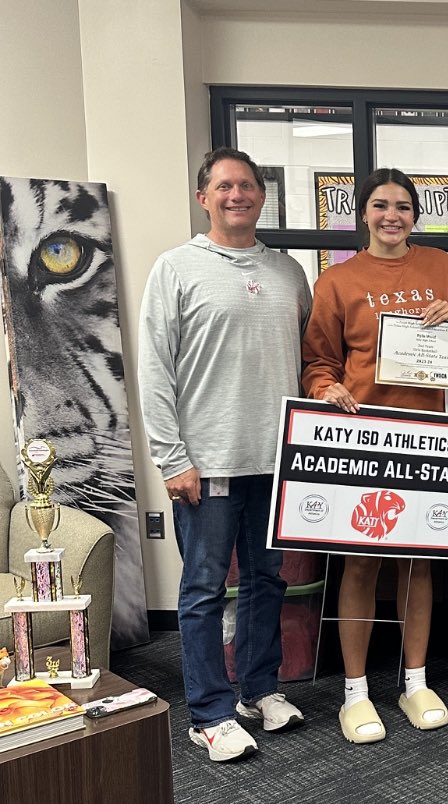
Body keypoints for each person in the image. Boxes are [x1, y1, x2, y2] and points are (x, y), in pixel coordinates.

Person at [139, 147, 310, 762]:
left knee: (267, 579)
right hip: (206, 462)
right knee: (205, 586)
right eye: (225, 186)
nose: (238, 195)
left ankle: (258, 690)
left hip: (276, 460)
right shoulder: (176, 268)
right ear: (203, 197)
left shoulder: (290, 273)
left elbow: (310, 359)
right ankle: (209, 710)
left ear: (262, 196)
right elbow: (155, 370)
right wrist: (170, 457)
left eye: (248, 186)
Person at [302, 168, 448, 743]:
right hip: (366, 436)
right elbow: (319, 363)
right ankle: (355, 691)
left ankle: (415, 679)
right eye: (380, 205)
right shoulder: (337, 280)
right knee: (360, 564)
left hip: (432, 434)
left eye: (403, 206)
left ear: (416, 215)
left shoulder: (440, 267)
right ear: (363, 213)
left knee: (417, 562)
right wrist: (325, 390)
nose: (392, 216)